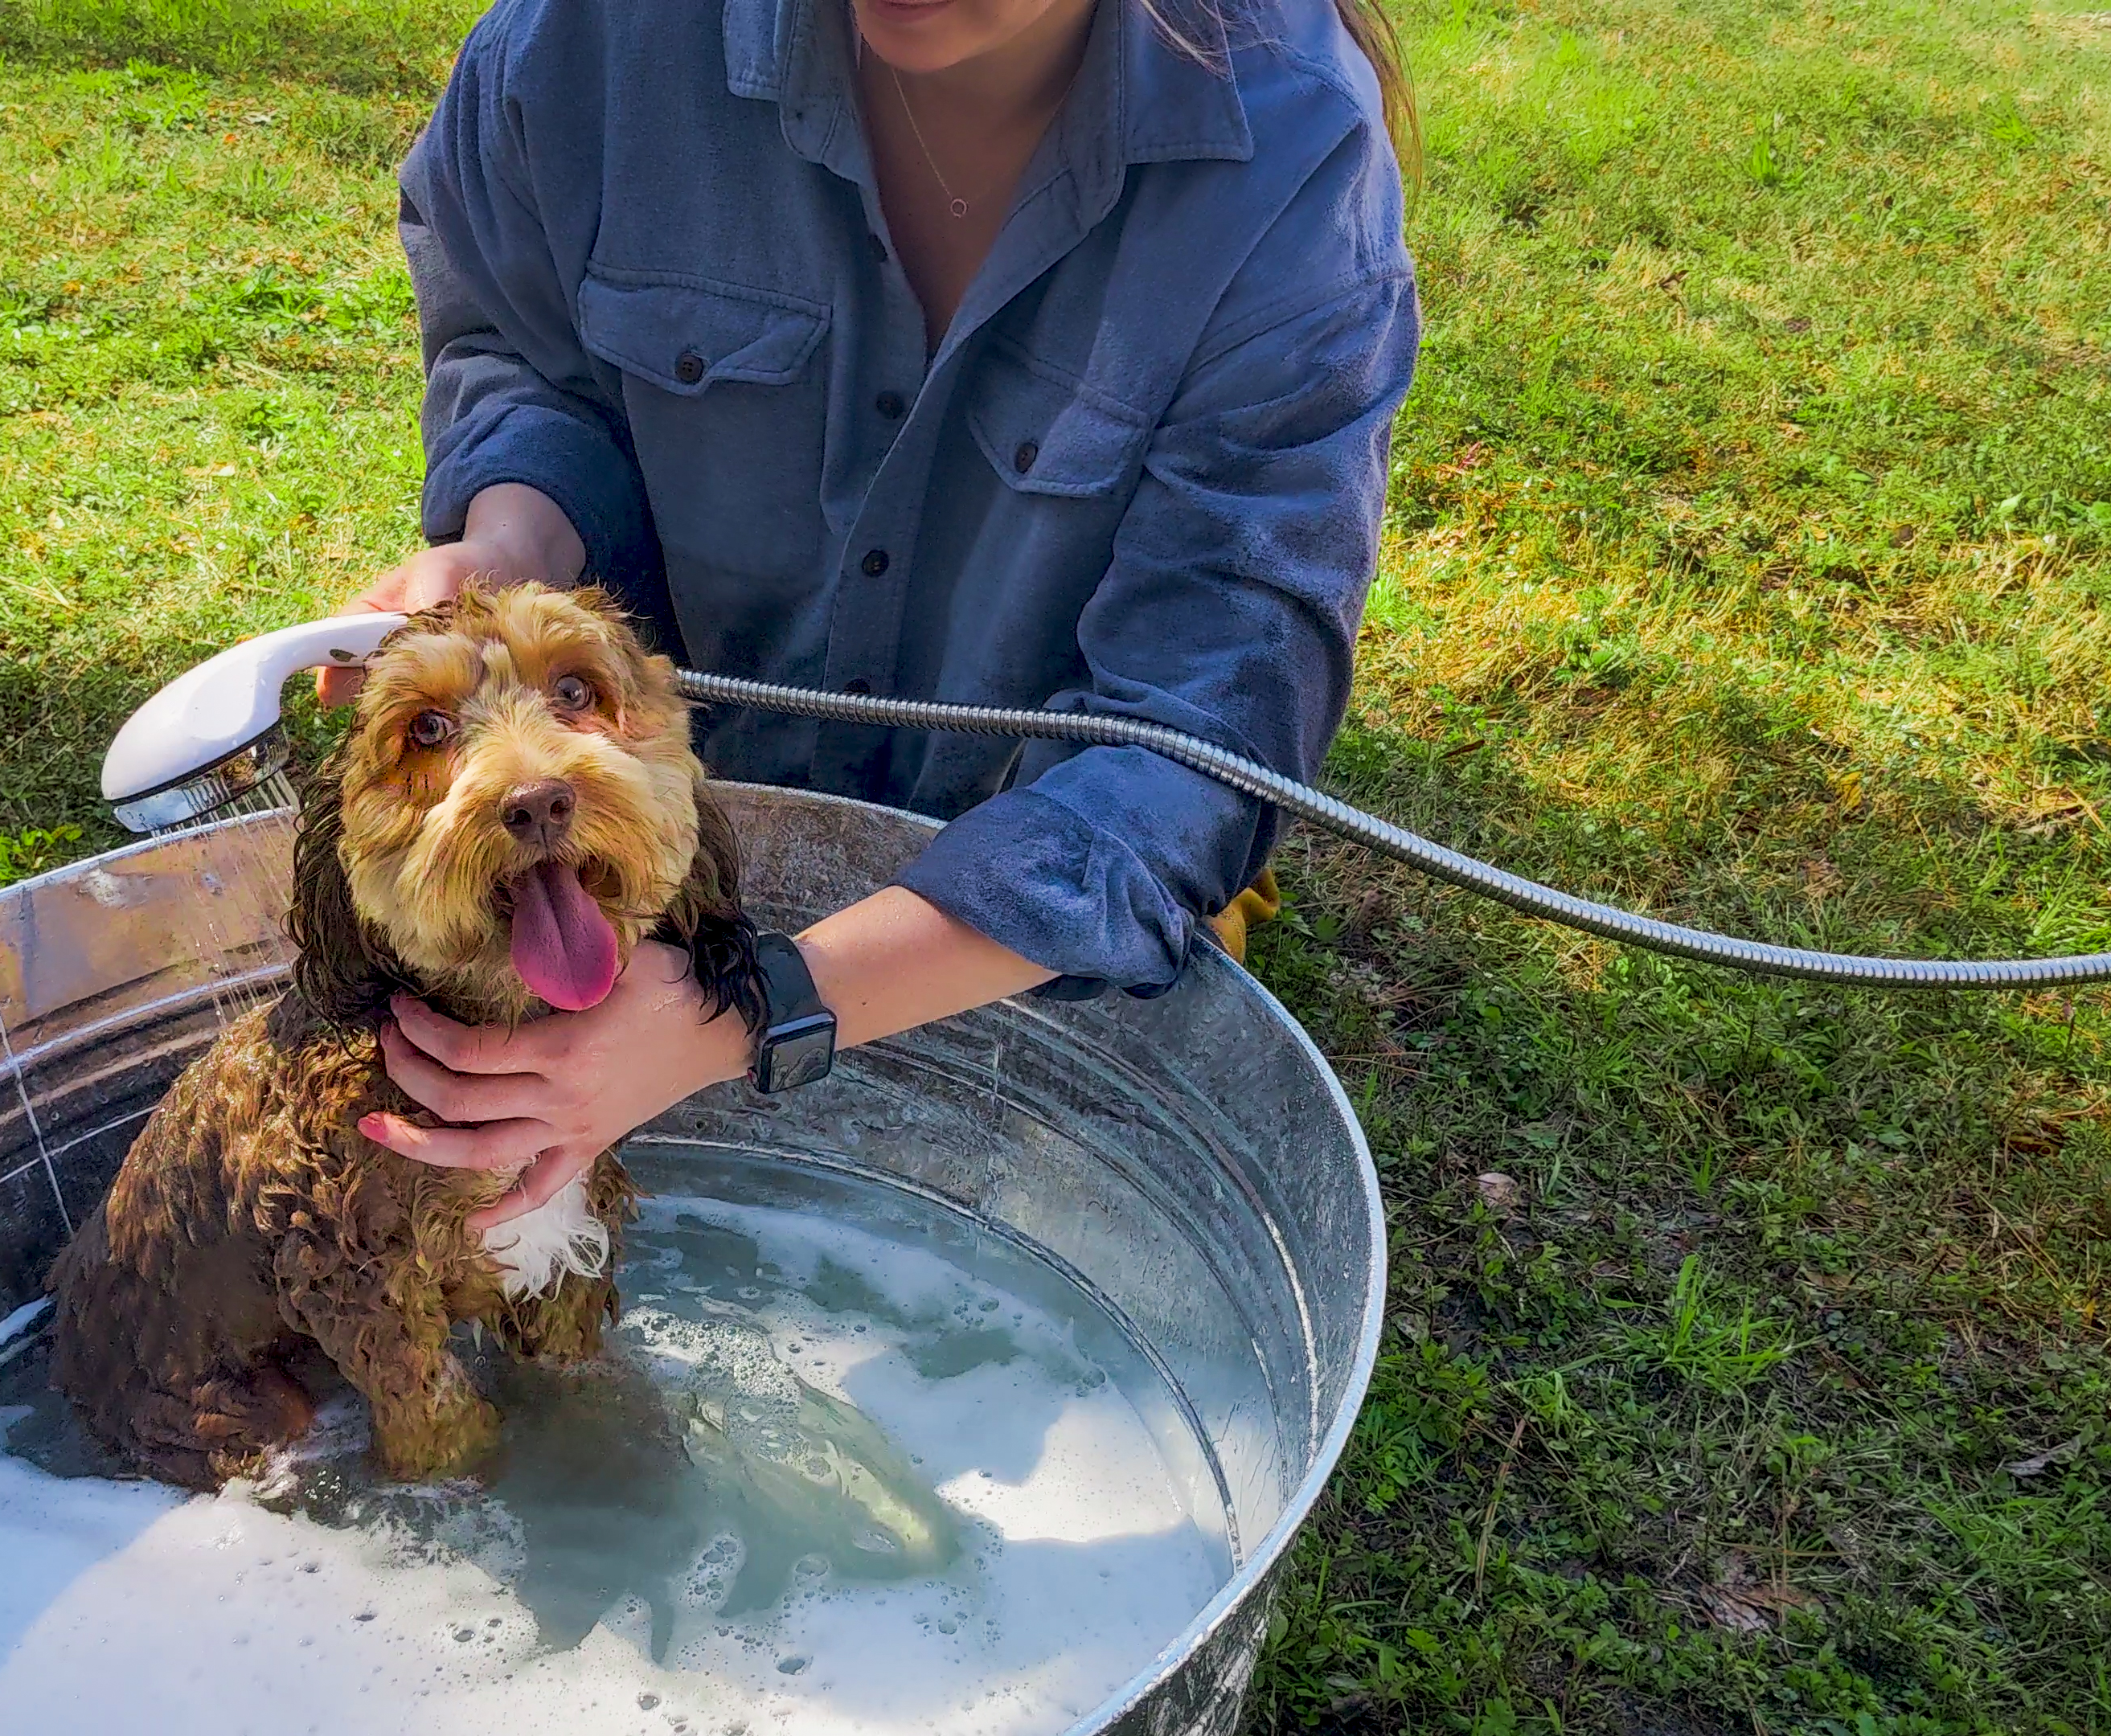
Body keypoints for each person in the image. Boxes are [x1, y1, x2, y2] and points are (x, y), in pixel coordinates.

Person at [330, 0, 1420, 1224]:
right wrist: (511, 541)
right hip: (646, 846)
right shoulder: (583, 45)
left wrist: (750, 1010)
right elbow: (528, 356)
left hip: (1034, 906)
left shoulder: (1293, 156)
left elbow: (1192, 739)